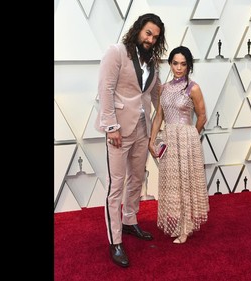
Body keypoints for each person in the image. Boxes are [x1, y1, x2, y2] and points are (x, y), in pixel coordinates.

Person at [95, 13, 167, 268]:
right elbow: (105, 88)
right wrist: (111, 126)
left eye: (155, 37)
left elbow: (155, 94)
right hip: (118, 130)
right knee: (116, 185)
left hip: (141, 129)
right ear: (138, 30)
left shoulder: (154, 62)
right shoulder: (116, 52)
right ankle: (115, 240)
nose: (150, 39)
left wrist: (168, 119)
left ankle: (129, 221)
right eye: (148, 33)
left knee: (137, 178)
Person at [148, 45, 209, 244]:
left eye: (183, 64)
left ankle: (186, 227)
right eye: (175, 63)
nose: (179, 68)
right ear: (170, 64)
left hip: (186, 140)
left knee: (186, 184)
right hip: (169, 140)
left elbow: (202, 117)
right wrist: (152, 139)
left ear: (189, 65)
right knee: (173, 184)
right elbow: (159, 116)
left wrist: (191, 136)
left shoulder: (193, 88)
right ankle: (179, 224)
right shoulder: (163, 88)